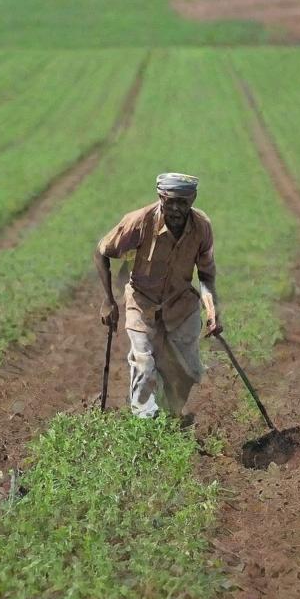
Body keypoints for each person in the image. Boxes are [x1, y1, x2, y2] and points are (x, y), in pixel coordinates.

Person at [93, 172, 222, 420]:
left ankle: (170, 417)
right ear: (160, 197)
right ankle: (146, 424)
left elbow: (206, 274)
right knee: (143, 363)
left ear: (193, 199)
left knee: (187, 372)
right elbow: (102, 252)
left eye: (182, 203)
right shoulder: (139, 222)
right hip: (142, 303)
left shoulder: (201, 227)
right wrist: (108, 300)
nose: (175, 209)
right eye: (170, 201)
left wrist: (213, 312)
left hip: (181, 305)